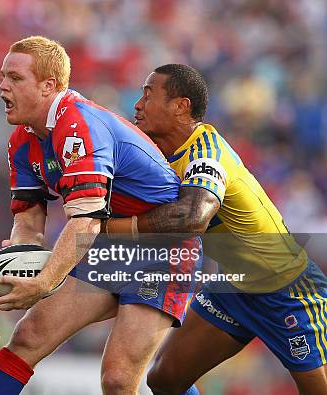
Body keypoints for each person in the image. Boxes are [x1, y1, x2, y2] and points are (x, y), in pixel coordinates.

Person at [0, 36, 202, 395]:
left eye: (15, 78)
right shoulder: (22, 139)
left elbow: (86, 219)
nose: (2, 86)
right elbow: (29, 217)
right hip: (110, 247)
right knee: (27, 337)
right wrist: (19, 258)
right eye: (3, 76)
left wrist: (44, 282)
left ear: (48, 85)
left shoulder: (79, 124)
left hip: (164, 251)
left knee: (118, 379)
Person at [105, 63, 327, 394]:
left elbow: (192, 217)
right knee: (164, 379)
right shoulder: (159, 157)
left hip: (287, 289)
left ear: (181, 106)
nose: (137, 104)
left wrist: (112, 229)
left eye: (148, 95)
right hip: (234, 287)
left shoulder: (206, 150)